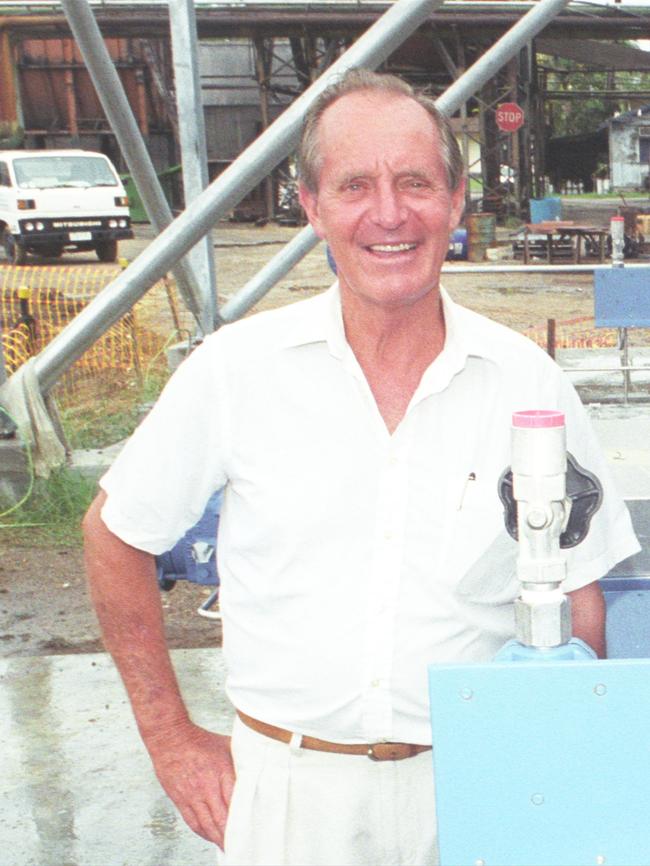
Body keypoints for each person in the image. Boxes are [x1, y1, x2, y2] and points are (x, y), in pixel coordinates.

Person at [83, 69, 639, 866]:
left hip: (475, 791)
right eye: (354, 185)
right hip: (286, 799)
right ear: (310, 209)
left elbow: (581, 596)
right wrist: (171, 741)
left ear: (456, 202)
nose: (389, 213)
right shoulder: (236, 372)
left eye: (415, 182)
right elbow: (114, 537)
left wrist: (552, 775)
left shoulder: (527, 384)